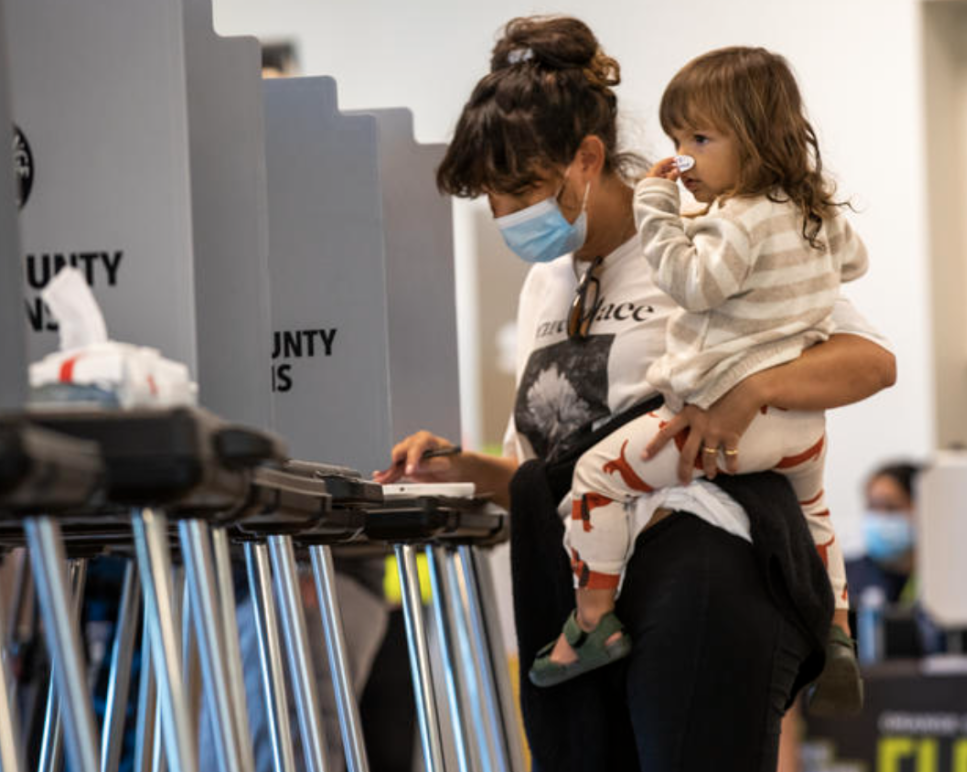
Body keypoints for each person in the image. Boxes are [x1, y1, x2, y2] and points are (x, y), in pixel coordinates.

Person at [374, 16, 896, 771]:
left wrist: (750, 392)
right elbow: (538, 470)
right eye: (492, 198)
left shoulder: (709, 234)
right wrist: (458, 469)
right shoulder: (544, 283)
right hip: (585, 588)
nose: (505, 215)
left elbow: (870, 360)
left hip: (707, 567)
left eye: (520, 189)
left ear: (588, 158)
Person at [528, 46, 865, 717]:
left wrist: (657, 207)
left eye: (700, 140)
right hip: (798, 430)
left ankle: (593, 619)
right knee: (814, 512)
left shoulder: (736, 221)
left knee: (595, 478)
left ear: (758, 136)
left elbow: (691, 283)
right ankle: (838, 630)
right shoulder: (813, 211)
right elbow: (852, 263)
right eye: (677, 140)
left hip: (724, 422)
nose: (681, 158)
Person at [847, 462, 921, 605]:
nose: (880, 517)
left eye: (892, 507)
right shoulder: (844, 578)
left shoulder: (938, 579)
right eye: (872, 507)